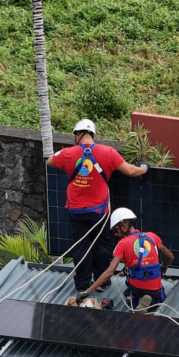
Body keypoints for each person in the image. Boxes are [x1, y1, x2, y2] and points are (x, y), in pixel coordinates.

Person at [46, 119, 148, 293]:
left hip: (76, 210)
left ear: (77, 136)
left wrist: (66, 156)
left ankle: (82, 285)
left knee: (81, 247)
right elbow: (131, 171)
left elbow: (49, 162)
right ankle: (101, 282)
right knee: (101, 245)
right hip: (99, 211)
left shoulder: (68, 153)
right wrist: (144, 169)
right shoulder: (108, 152)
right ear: (93, 135)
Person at [77, 207, 174, 312]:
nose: (115, 233)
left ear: (123, 226)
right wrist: (163, 266)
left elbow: (109, 272)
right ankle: (151, 298)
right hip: (154, 287)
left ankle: (133, 297)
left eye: (116, 229)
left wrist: (88, 291)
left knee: (129, 288)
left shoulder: (122, 244)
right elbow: (170, 257)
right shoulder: (152, 236)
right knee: (159, 290)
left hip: (137, 287)